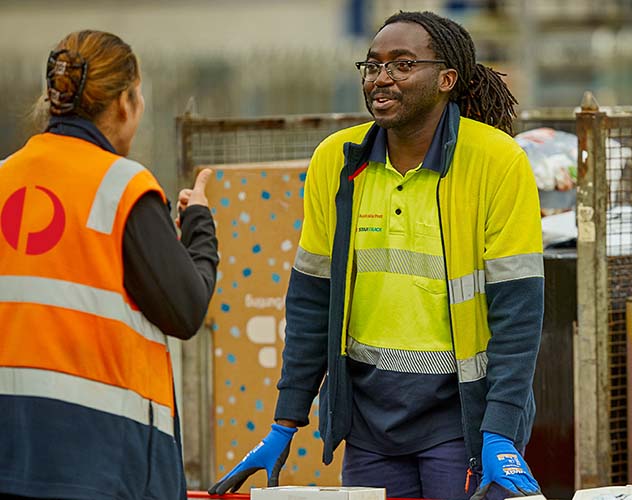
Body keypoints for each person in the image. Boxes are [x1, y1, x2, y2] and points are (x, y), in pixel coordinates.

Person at [210, 11, 543, 500]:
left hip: (462, 422)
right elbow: (310, 300)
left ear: (447, 79)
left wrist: (500, 429)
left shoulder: (496, 161)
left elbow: (519, 312)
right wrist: (285, 421)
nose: (382, 78)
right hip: (369, 426)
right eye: (372, 65)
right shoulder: (337, 160)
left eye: (403, 65)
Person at [0, 30, 218, 500]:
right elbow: (186, 309)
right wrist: (199, 223)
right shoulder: (121, 186)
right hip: (99, 460)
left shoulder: (2, 179)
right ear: (125, 102)